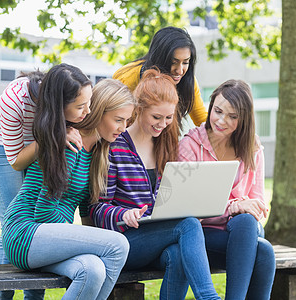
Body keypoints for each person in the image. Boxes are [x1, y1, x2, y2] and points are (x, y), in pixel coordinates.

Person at [1, 64, 134, 300]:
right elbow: (43, 212)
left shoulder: (98, 152)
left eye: (127, 121)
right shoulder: (69, 144)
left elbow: (85, 210)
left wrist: (84, 238)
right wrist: (81, 241)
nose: (123, 129)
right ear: (100, 113)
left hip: (47, 239)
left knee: (92, 270)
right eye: (118, 120)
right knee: (118, 245)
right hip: (26, 233)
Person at [90, 68, 220, 300]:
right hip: (124, 242)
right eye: (156, 117)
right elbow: (97, 208)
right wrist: (125, 213)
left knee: (180, 252)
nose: (162, 124)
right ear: (138, 110)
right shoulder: (115, 146)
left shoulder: (165, 147)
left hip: (157, 240)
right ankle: (209, 297)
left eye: (168, 118)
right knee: (188, 224)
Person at [0, 70, 83, 300]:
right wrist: (54, 135)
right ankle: (3, 298)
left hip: (43, 139)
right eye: (79, 106)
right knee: (12, 223)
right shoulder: (15, 101)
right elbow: (16, 161)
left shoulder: (65, 95)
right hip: (4, 149)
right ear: (59, 102)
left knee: (39, 226)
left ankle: (34, 297)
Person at [178, 79, 277, 300]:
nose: (221, 121)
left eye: (232, 116)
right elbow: (189, 205)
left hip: (244, 230)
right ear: (211, 106)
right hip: (202, 235)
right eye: (218, 111)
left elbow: (258, 203)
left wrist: (237, 209)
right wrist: (233, 206)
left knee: (246, 222)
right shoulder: (190, 146)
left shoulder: (252, 148)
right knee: (264, 251)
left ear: (244, 120)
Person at [113, 26, 207, 128]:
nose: (179, 71)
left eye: (185, 62)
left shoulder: (188, 81)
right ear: (159, 59)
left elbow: (202, 121)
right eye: (173, 62)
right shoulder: (127, 80)